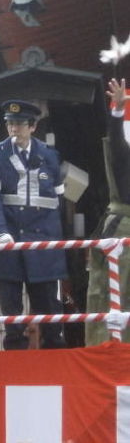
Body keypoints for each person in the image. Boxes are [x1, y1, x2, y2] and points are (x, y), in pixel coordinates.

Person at [0, 100, 67, 350]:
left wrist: (59, 239)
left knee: (50, 307)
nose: (14, 129)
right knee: (11, 309)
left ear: (33, 126)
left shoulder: (49, 156)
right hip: (9, 237)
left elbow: (59, 200)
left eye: (19, 124)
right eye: (10, 123)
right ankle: (15, 356)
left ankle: (55, 356)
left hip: (43, 240)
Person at [86, 78, 130, 345]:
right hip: (124, 225)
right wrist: (118, 111)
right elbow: (116, 143)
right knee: (112, 294)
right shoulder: (124, 154)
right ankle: (106, 350)